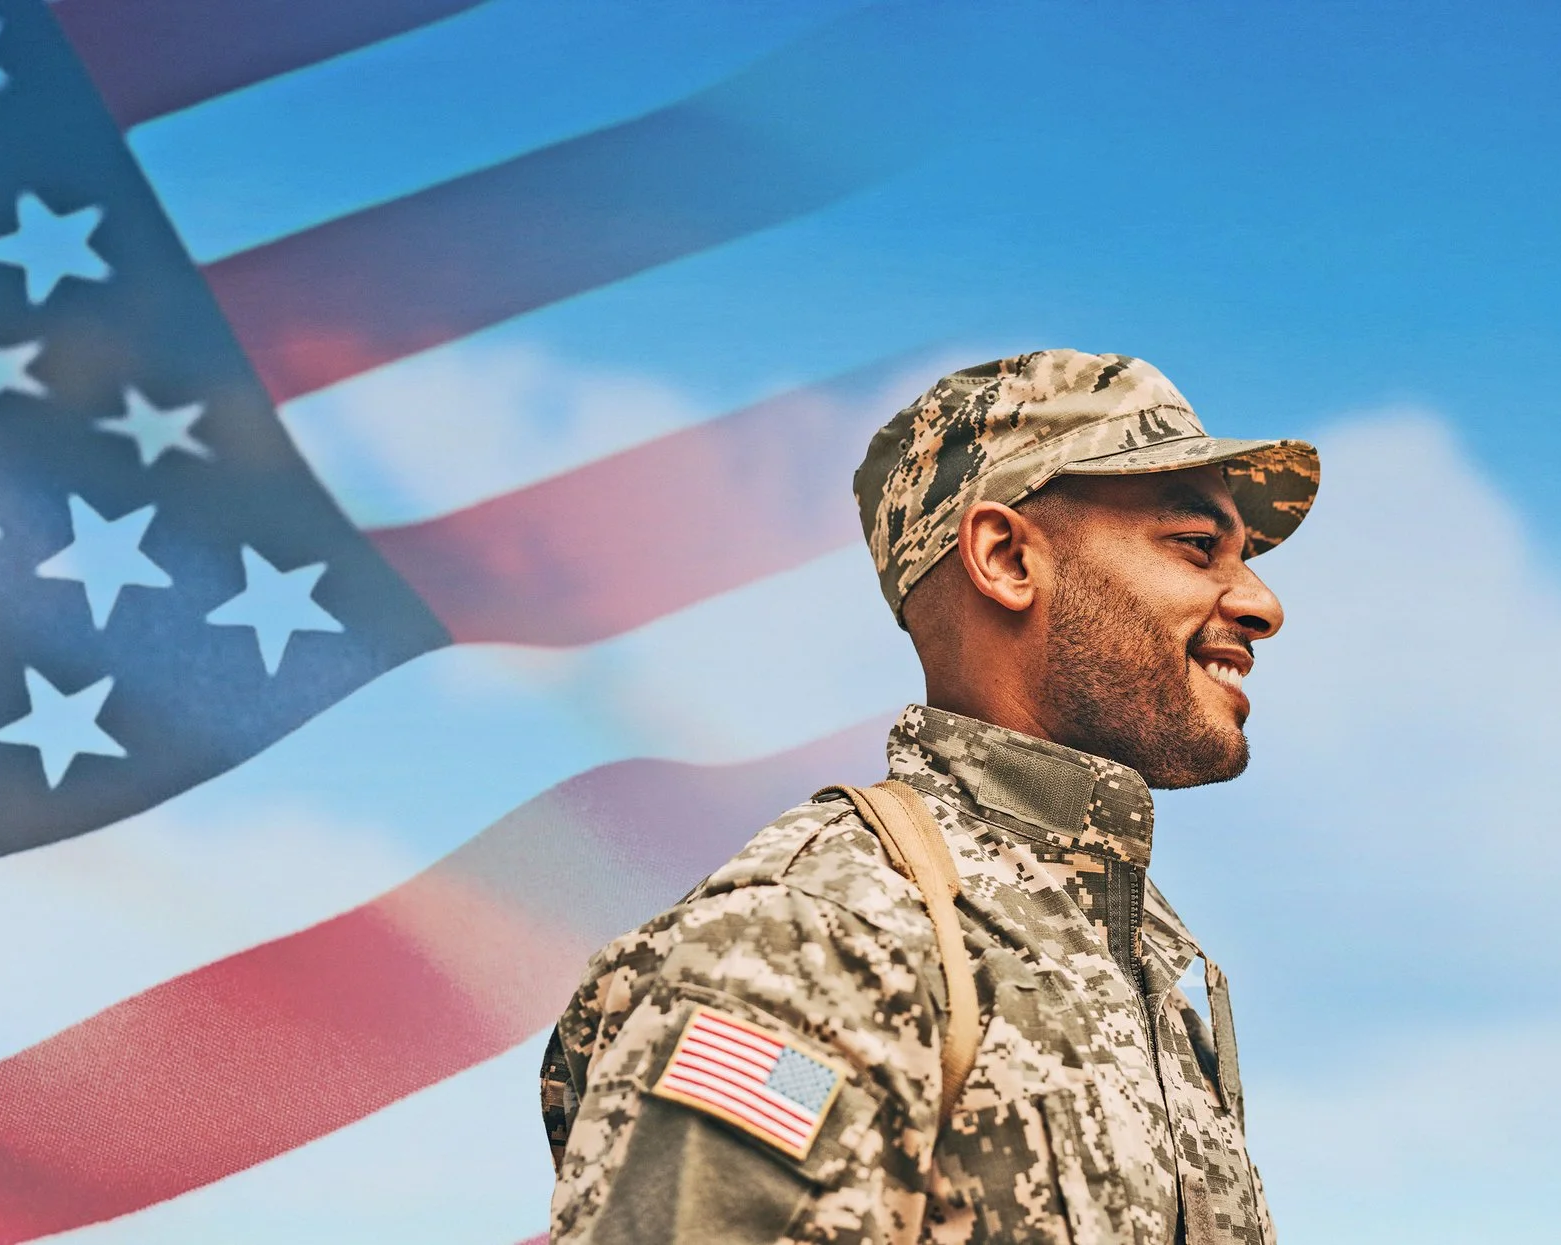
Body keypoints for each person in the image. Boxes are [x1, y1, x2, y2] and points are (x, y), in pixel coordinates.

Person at [538, 349, 1320, 1245]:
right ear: (1005, 557)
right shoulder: (810, 944)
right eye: (1197, 546)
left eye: (1245, 556)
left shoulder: (1151, 962)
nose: (1262, 602)